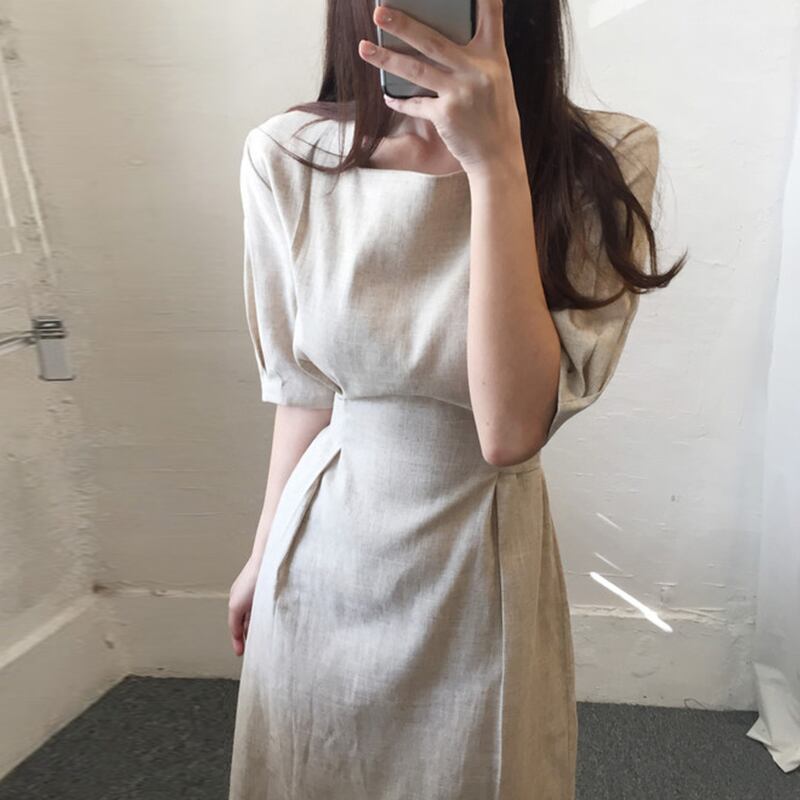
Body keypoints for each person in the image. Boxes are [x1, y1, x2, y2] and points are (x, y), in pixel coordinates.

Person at [227, 0, 685, 797]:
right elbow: (303, 389)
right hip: (326, 548)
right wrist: (263, 552)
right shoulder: (288, 155)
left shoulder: (604, 163)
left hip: (481, 555)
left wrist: (495, 163)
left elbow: (509, 430)